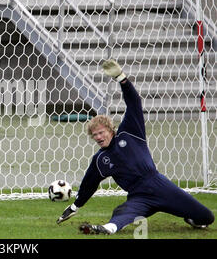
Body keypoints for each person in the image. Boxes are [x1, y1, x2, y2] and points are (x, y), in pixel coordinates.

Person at [56, 59, 214, 234]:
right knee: (123, 213)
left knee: (207, 217)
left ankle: (191, 217)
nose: (98, 137)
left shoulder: (130, 132)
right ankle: (108, 228)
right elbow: (89, 184)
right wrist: (75, 206)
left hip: (159, 185)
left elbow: (134, 103)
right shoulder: (100, 160)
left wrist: (122, 79)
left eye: (101, 132)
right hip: (139, 196)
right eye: (94, 135)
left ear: (111, 129)